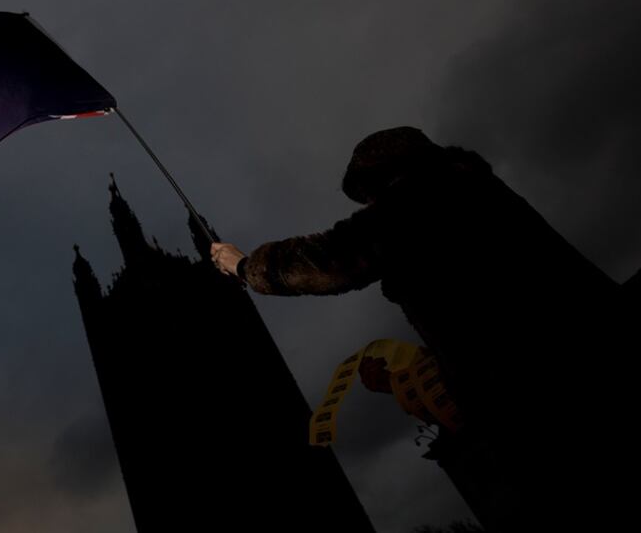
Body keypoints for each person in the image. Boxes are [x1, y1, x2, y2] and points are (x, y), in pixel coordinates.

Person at [211, 126, 625, 528]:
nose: (372, 204)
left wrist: (245, 266)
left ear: (391, 173)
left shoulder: (424, 195)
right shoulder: (473, 191)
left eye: (371, 193)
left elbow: (334, 258)